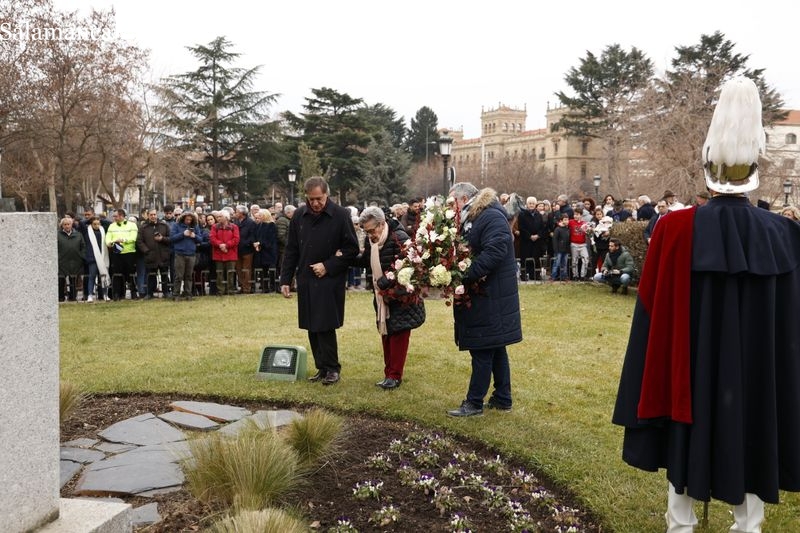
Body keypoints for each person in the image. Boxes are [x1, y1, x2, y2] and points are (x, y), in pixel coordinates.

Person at [612, 77, 800, 532]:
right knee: (755, 423)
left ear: (707, 172)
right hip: (756, 370)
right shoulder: (781, 233)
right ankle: (747, 523)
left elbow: (651, 304)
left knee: (685, 422)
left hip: (688, 361)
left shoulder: (674, 229)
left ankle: (680, 520)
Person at [446, 183, 522, 417]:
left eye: (452, 203)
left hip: (491, 294)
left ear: (464, 198)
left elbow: (496, 250)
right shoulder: (478, 215)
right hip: (487, 292)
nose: (451, 209)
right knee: (495, 346)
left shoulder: (489, 215)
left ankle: (474, 403)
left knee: (482, 347)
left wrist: (464, 275)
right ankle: (502, 398)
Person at [279, 176, 359, 386]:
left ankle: (333, 368)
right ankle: (321, 368)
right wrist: (285, 279)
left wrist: (328, 265)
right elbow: (292, 249)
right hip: (306, 278)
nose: (315, 203)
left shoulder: (341, 215)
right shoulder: (299, 215)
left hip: (329, 279)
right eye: (311, 199)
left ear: (327, 195)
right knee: (311, 325)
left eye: (319, 199)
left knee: (325, 324)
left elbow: (352, 249)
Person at [355, 206, 426, 389]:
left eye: (372, 230)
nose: (371, 235)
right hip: (383, 297)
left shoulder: (399, 237)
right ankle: (389, 374)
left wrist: (387, 281)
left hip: (402, 296)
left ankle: (395, 376)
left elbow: (410, 266)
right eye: (367, 231)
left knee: (398, 336)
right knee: (386, 333)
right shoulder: (373, 242)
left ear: (382, 223)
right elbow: (365, 261)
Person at [136, 209, 172, 299]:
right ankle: (149, 293)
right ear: (148, 215)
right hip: (150, 256)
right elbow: (139, 241)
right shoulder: (143, 227)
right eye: (151, 215)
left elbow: (170, 239)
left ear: (157, 215)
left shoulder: (164, 226)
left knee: (164, 275)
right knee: (150, 276)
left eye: (154, 214)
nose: (153, 216)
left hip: (163, 255)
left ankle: (166, 292)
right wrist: (146, 251)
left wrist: (162, 239)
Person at [105, 208, 139, 300]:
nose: (114, 217)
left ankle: (134, 293)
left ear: (121, 216)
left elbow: (133, 237)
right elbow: (107, 238)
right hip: (116, 253)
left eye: (115, 216)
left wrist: (123, 240)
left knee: (131, 274)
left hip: (129, 253)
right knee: (116, 274)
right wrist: (112, 242)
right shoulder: (112, 226)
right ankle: (117, 294)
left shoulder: (132, 225)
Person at [170, 211, 202, 300]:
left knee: (189, 276)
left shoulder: (195, 226)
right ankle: (176, 294)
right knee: (178, 276)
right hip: (180, 254)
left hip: (191, 254)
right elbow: (172, 238)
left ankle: (188, 294)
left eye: (190, 219)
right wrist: (183, 234)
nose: (188, 221)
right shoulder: (176, 226)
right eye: (187, 219)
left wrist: (194, 236)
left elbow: (200, 239)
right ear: (183, 218)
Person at [209, 210, 239, 295]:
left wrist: (226, 245)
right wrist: (220, 245)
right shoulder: (215, 227)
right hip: (218, 253)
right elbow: (212, 238)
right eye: (218, 217)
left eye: (220, 217)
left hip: (230, 253)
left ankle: (230, 290)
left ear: (226, 218)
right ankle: (220, 290)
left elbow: (236, 239)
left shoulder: (234, 227)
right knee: (219, 273)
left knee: (230, 273)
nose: (218, 218)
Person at [57, 216, 85, 302]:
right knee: (61, 279)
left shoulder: (78, 235)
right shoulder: (58, 235)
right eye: (65, 224)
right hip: (62, 261)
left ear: (71, 224)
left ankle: (72, 297)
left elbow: (83, 246)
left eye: (68, 224)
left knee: (73, 279)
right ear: (62, 225)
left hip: (75, 260)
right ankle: (61, 297)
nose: (67, 226)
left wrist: (81, 256)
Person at [83, 216, 110, 302]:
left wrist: (99, 219)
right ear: (91, 224)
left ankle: (105, 294)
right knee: (92, 276)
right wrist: (90, 218)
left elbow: (108, 223)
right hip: (92, 257)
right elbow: (81, 223)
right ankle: (90, 295)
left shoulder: (103, 230)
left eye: (98, 224)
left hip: (102, 257)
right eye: (94, 224)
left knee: (103, 276)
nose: (96, 225)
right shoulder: (87, 231)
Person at [252, 210, 278, 293]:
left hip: (270, 251)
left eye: (260, 215)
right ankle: (265, 286)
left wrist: (260, 243)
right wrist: (257, 244)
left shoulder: (271, 225)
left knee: (271, 269)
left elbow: (271, 238)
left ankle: (273, 286)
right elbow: (258, 236)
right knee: (263, 270)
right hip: (262, 250)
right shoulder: (260, 225)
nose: (258, 217)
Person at [233, 204, 256, 293]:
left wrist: (246, 243)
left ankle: (247, 288)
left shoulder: (250, 223)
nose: (235, 213)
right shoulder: (235, 222)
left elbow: (253, 236)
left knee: (246, 269)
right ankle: (242, 287)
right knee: (239, 269)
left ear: (242, 213)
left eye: (237, 212)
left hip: (247, 250)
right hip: (237, 249)